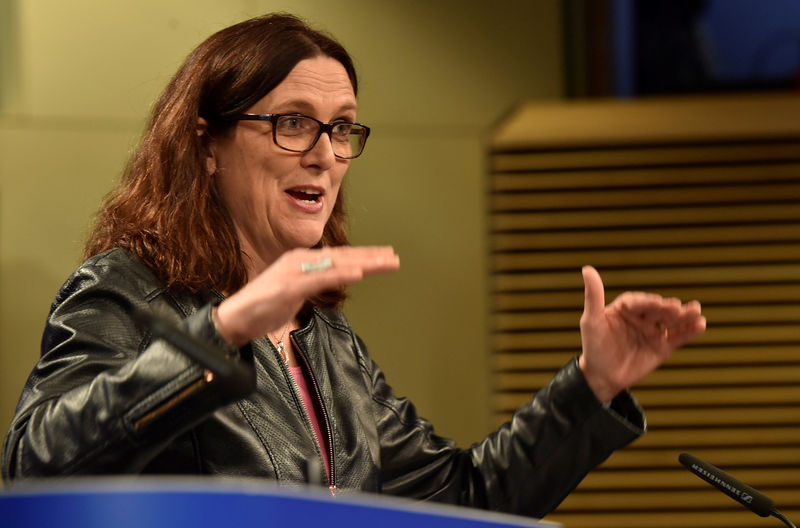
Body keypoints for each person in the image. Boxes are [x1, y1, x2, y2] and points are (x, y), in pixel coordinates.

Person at [1, 13, 706, 519]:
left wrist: (592, 386)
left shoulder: (329, 347)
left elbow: (462, 503)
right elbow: (36, 467)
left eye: (342, 127)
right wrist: (225, 329)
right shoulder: (124, 291)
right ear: (207, 145)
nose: (326, 154)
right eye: (293, 122)